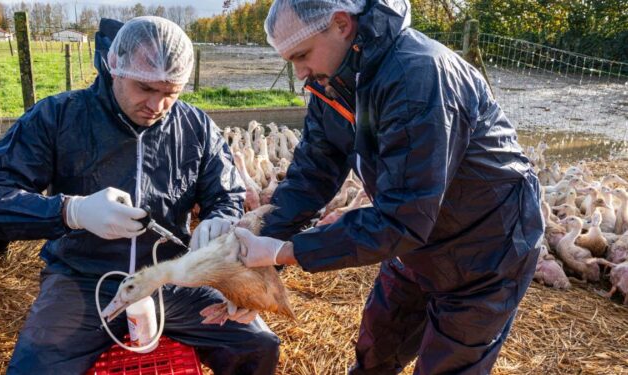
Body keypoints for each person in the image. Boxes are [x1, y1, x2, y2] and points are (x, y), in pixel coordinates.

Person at [233, 0, 545, 374]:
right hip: (414, 240)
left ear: (341, 24)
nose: (300, 72)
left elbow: (404, 218)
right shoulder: (331, 81)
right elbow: (312, 173)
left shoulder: (419, 75)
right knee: (378, 346)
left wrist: (284, 250)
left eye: (302, 54)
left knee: (448, 364)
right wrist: (254, 272)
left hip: (486, 246)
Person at [0, 16, 279, 375]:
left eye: (170, 92)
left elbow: (226, 193)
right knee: (34, 368)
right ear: (114, 65)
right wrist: (72, 211)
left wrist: (220, 222)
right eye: (145, 88)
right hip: (83, 280)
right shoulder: (59, 117)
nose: (157, 105)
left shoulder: (194, 126)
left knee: (258, 344)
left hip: (172, 276)